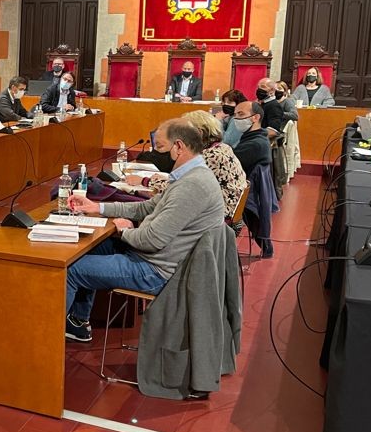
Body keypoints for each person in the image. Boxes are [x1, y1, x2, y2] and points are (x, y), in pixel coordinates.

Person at [63, 118, 225, 343]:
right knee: (94, 247)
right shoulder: (191, 175)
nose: (154, 153)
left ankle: (46, 343)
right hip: (157, 258)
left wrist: (124, 232)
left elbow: (152, 240)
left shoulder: (192, 185)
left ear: (178, 147)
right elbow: (145, 208)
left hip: (157, 271)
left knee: (70, 270)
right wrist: (97, 207)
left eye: (159, 147)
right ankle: (78, 322)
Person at [126, 111, 247, 218]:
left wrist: (144, 181)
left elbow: (181, 188)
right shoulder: (222, 147)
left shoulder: (211, 156)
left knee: (154, 206)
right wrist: (167, 179)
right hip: (222, 208)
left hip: (216, 216)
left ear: (198, 133)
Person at [231, 101, 272, 176]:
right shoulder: (256, 137)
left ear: (255, 118)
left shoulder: (255, 144)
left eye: (241, 114)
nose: (236, 118)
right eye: (235, 115)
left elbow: (228, 164)